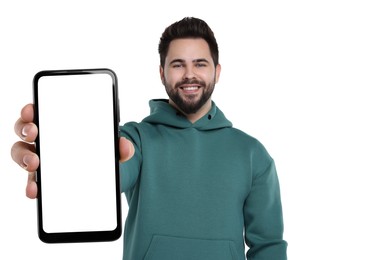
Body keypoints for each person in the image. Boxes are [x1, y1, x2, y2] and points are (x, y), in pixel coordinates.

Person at [11, 17, 288, 259]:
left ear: (216, 71)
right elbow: (108, 173)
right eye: (178, 65)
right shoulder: (135, 139)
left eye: (200, 64)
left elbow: (268, 247)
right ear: (162, 73)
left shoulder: (252, 153)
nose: (189, 74)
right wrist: (61, 158)